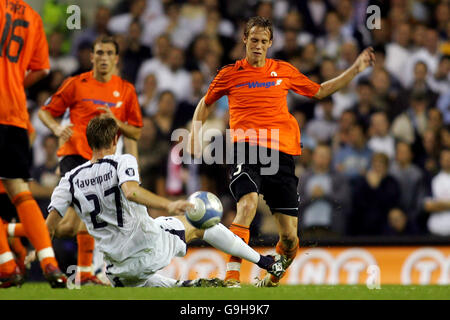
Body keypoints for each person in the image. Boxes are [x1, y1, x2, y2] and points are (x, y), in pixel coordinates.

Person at [188, 16, 375, 287]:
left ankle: (275, 273)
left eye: (264, 41)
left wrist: (355, 69)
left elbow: (320, 91)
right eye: (253, 40)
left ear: (271, 43)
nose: (258, 45)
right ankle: (231, 277)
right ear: (244, 40)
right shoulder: (229, 74)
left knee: (289, 238)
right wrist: (195, 133)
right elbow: (205, 105)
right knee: (247, 204)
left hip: (282, 155)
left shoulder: (283, 70)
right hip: (247, 149)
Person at [45, 116, 285, 287]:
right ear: (115, 138)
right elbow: (131, 192)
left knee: (140, 272)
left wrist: (40, 255)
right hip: (146, 247)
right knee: (199, 222)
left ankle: (187, 286)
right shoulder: (122, 161)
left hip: (117, 271)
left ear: (88, 142)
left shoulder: (70, 178)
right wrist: (169, 204)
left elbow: (50, 226)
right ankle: (266, 262)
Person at [37, 36, 143, 285]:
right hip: (75, 157)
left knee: (73, 224)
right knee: (78, 220)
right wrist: (55, 128)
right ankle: (83, 270)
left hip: (104, 163)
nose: (103, 57)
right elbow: (44, 111)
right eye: (99, 52)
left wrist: (116, 122)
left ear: (116, 59)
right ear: (92, 57)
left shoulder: (126, 90)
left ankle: (83, 271)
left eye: (108, 53)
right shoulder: (76, 84)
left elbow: (136, 132)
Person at [0, 0, 66, 288]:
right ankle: (49, 262)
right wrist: (13, 80)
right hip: (15, 115)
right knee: (19, 189)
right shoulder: (32, 16)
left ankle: (7, 265)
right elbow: (42, 70)